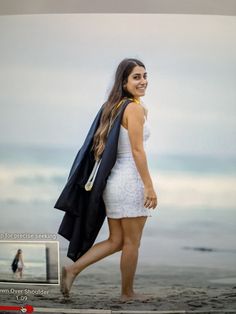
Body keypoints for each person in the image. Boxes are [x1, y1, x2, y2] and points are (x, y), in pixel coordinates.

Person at [60, 58, 158, 301]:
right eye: (136, 77)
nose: (143, 81)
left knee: (116, 241)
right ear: (124, 82)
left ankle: (72, 269)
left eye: (145, 75)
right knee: (132, 243)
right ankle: (127, 293)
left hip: (113, 183)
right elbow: (137, 151)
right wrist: (148, 186)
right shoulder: (133, 109)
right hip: (129, 181)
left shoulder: (115, 106)